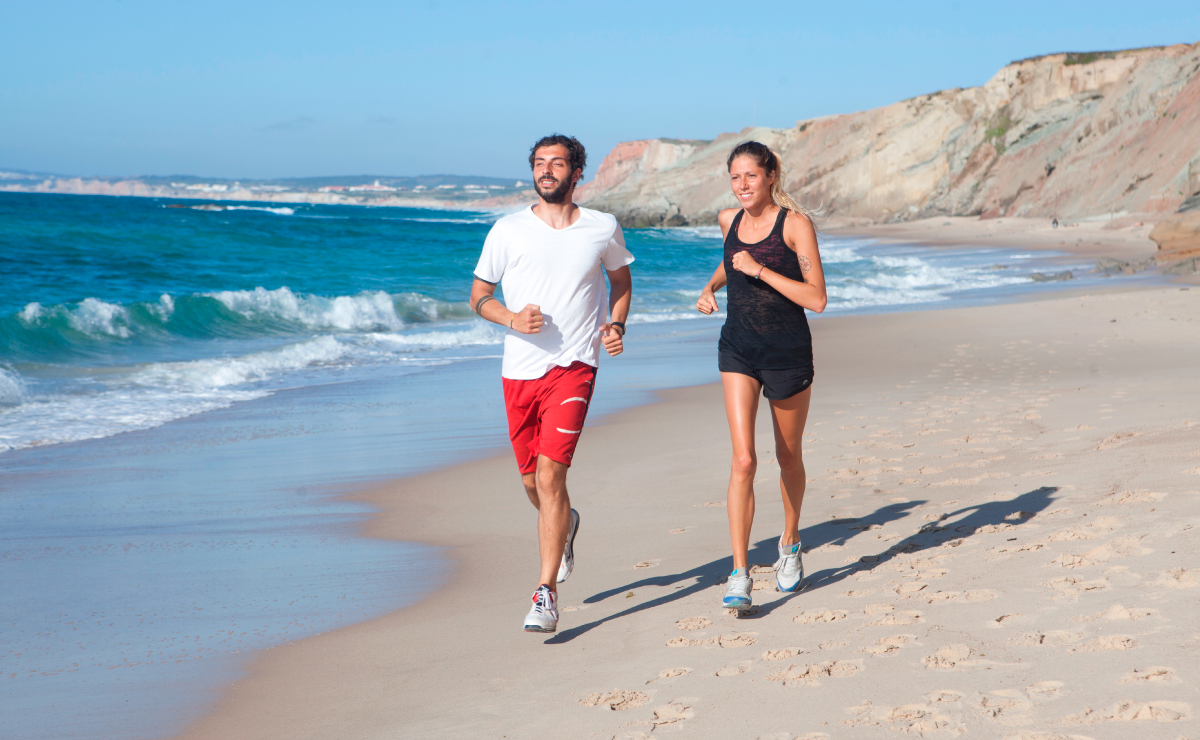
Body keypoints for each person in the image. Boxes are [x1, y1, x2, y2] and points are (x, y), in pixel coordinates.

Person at [470, 134, 634, 633]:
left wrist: (616, 324)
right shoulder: (508, 229)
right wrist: (511, 318)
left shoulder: (601, 228)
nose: (546, 171)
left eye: (556, 164)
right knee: (530, 482)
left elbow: (621, 282)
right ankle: (566, 524)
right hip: (519, 370)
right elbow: (479, 295)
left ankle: (546, 594)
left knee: (549, 478)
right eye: (539, 163)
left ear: (576, 173)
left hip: (576, 365)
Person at [696, 140, 827, 609]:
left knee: (786, 456)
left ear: (770, 175)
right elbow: (730, 262)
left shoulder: (795, 225)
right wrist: (710, 286)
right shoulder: (728, 221)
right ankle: (739, 573)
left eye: (750, 175)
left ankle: (789, 544)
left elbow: (816, 298)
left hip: (787, 353)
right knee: (744, 461)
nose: (742, 185)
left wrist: (761, 269)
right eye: (735, 177)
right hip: (738, 349)